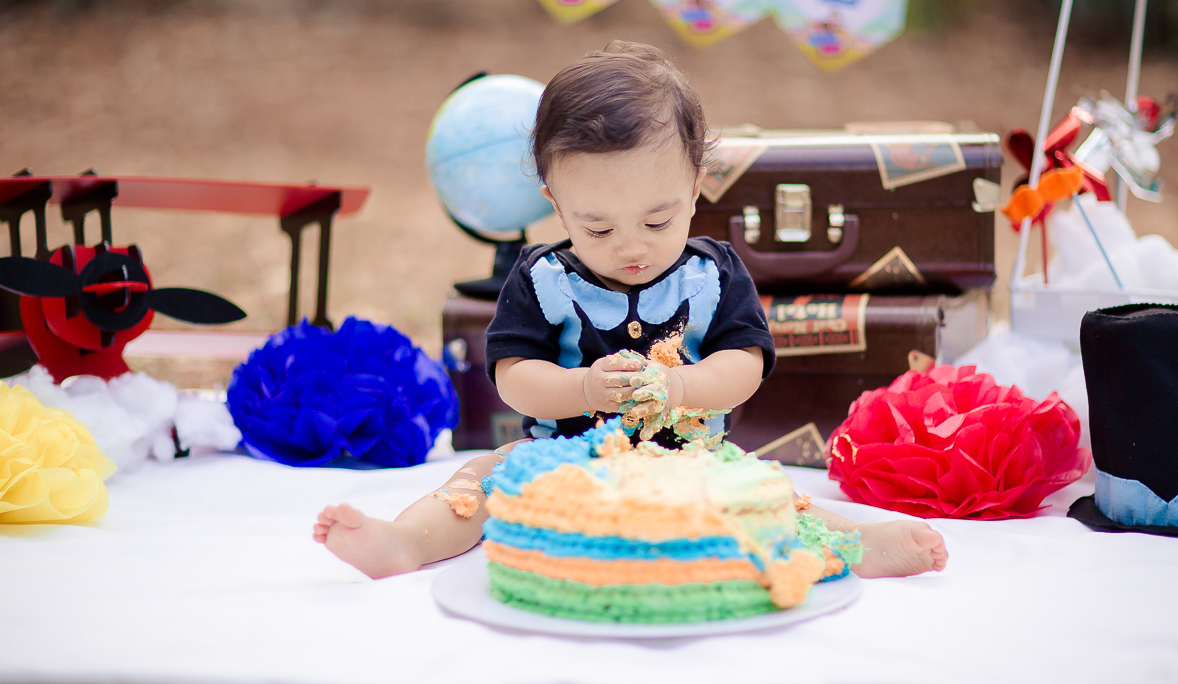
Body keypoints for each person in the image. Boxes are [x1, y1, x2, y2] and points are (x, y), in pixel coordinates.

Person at [314, 41, 948, 580]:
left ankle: (858, 546)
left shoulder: (712, 273)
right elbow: (514, 377)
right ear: (555, 204)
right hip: (560, 463)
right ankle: (402, 544)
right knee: (476, 481)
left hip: (690, 466)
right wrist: (584, 386)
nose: (631, 246)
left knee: (770, 493)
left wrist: (679, 384)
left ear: (695, 187)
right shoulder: (540, 277)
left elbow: (745, 364)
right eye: (596, 227)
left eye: (656, 219)